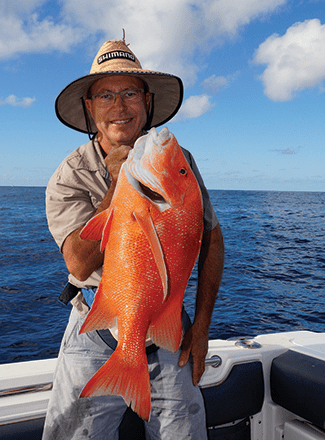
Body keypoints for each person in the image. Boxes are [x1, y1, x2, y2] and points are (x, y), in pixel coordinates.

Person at [42, 36, 224, 440]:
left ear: (146, 101)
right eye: (105, 95)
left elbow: (210, 238)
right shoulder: (70, 174)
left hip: (168, 328)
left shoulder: (178, 163)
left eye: (130, 92)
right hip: (95, 329)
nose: (119, 106)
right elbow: (79, 264)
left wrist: (202, 327)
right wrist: (119, 188)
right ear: (90, 108)